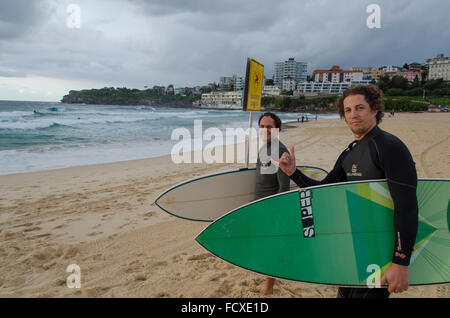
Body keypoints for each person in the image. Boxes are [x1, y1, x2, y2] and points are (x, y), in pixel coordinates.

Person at [273, 85, 418, 298]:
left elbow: (406, 206)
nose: (353, 115)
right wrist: (293, 172)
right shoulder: (350, 152)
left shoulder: (389, 146)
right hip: (354, 248)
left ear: (375, 110)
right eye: (348, 110)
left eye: (360, 108)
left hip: (379, 253)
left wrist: (401, 262)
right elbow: (323, 191)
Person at [255, 112, 291, 295]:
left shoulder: (278, 150)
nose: (265, 130)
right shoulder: (266, 147)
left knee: (271, 247)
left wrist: (274, 211)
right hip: (260, 205)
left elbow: (284, 186)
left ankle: (269, 286)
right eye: (262, 126)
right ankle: (270, 280)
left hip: (270, 206)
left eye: (269, 127)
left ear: (277, 129)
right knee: (265, 246)